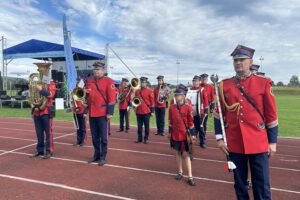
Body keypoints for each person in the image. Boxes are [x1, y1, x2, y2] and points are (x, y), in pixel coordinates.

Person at [214, 44, 278, 199]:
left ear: (251, 62)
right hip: (234, 142)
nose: (238, 63)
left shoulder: (263, 82)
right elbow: (219, 114)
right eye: (235, 60)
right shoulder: (224, 85)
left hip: (258, 141)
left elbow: (271, 115)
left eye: (242, 59)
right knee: (240, 184)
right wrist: (220, 139)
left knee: (261, 184)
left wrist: (272, 142)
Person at [85, 62, 116, 166]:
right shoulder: (89, 81)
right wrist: (85, 107)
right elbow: (87, 97)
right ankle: (96, 155)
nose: (96, 71)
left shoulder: (109, 81)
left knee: (103, 137)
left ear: (102, 70)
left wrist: (110, 112)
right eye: (94, 69)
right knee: (94, 137)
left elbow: (112, 98)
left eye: (98, 69)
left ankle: (103, 156)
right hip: (92, 113)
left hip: (102, 113)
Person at [168, 84, 196, 186]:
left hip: (184, 135)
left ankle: (190, 176)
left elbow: (191, 123)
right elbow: (170, 121)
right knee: (177, 153)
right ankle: (180, 172)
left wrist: (192, 135)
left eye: (178, 95)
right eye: (175, 95)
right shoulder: (172, 108)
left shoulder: (188, 108)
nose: (176, 96)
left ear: (183, 96)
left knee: (186, 155)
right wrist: (169, 133)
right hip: (175, 134)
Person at [30, 79, 56, 159]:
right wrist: (32, 111)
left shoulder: (51, 83)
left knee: (48, 133)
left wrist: (41, 89)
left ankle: (49, 151)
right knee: (39, 133)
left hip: (46, 112)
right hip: (37, 111)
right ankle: (40, 150)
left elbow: (50, 94)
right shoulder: (37, 83)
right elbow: (33, 98)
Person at [189, 75, 209, 148]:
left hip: (201, 112)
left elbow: (206, 102)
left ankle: (202, 141)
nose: (195, 82)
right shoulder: (189, 90)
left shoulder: (202, 90)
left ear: (199, 82)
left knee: (201, 127)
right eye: (194, 81)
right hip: (191, 112)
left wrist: (206, 111)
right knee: (191, 127)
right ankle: (191, 140)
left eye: (196, 81)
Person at [134, 77, 154, 144]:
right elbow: (135, 100)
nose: (143, 84)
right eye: (142, 82)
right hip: (139, 111)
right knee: (139, 127)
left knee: (146, 126)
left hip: (146, 111)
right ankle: (139, 138)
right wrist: (134, 107)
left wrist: (152, 111)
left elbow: (152, 102)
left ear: (146, 83)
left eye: (144, 82)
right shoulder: (137, 91)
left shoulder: (150, 91)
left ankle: (146, 138)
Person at [200, 73, 215, 147]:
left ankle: (203, 134)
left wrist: (212, 107)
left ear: (207, 79)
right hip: (198, 106)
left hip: (207, 106)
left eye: (205, 79)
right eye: (202, 79)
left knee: (204, 121)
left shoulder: (211, 87)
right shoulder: (198, 86)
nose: (204, 80)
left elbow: (212, 97)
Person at [72, 80, 88, 147]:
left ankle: (83, 140)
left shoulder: (85, 92)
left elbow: (87, 104)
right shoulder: (75, 92)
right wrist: (72, 106)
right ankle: (78, 140)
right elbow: (73, 101)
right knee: (78, 128)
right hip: (76, 111)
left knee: (83, 128)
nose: (78, 84)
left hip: (82, 112)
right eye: (77, 83)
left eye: (79, 83)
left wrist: (85, 112)